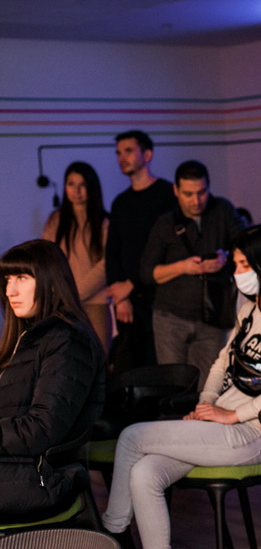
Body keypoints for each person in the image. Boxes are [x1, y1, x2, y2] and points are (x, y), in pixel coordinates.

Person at [101, 225, 261, 549]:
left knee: (131, 437)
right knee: (144, 473)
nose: (238, 272)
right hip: (219, 426)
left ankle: (109, 542)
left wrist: (233, 414)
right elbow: (221, 364)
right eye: (236, 264)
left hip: (253, 434)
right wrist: (205, 405)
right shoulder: (249, 308)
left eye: (245, 264)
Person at [0, 239, 105, 517]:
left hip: (43, 479)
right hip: (16, 467)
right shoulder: (29, 337)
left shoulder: (68, 341)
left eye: (22, 278)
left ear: (51, 281)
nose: (10, 290)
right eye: (8, 279)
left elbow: (42, 429)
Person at [139, 160, 244, 388]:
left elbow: (247, 244)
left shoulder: (223, 210)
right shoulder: (165, 223)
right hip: (171, 318)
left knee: (209, 389)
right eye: (188, 194)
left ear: (209, 187)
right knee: (173, 388)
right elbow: (146, 273)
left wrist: (226, 257)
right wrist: (184, 267)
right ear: (176, 191)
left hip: (212, 316)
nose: (196, 201)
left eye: (201, 192)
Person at [106, 129, 176, 372]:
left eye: (128, 151)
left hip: (160, 297)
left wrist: (131, 284)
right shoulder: (121, 202)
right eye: (118, 153)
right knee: (130, 368)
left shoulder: (167, 194)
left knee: (159, 365)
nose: (121, 158)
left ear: (147, 155)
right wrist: (121, 295)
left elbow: (168, 250)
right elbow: (112, 251)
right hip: (128, 301)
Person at [42, 161, 112, 355]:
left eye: (82, 185)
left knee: (99, 356)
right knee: (66, 357)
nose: (76, 190)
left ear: (91, 188)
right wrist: (65, 294)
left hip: (96, 301)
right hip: (62, 302)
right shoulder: (55, 220)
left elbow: (106, 264)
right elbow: (47, 257)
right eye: (71, 184)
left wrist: (76, 293)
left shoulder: (104, 222)